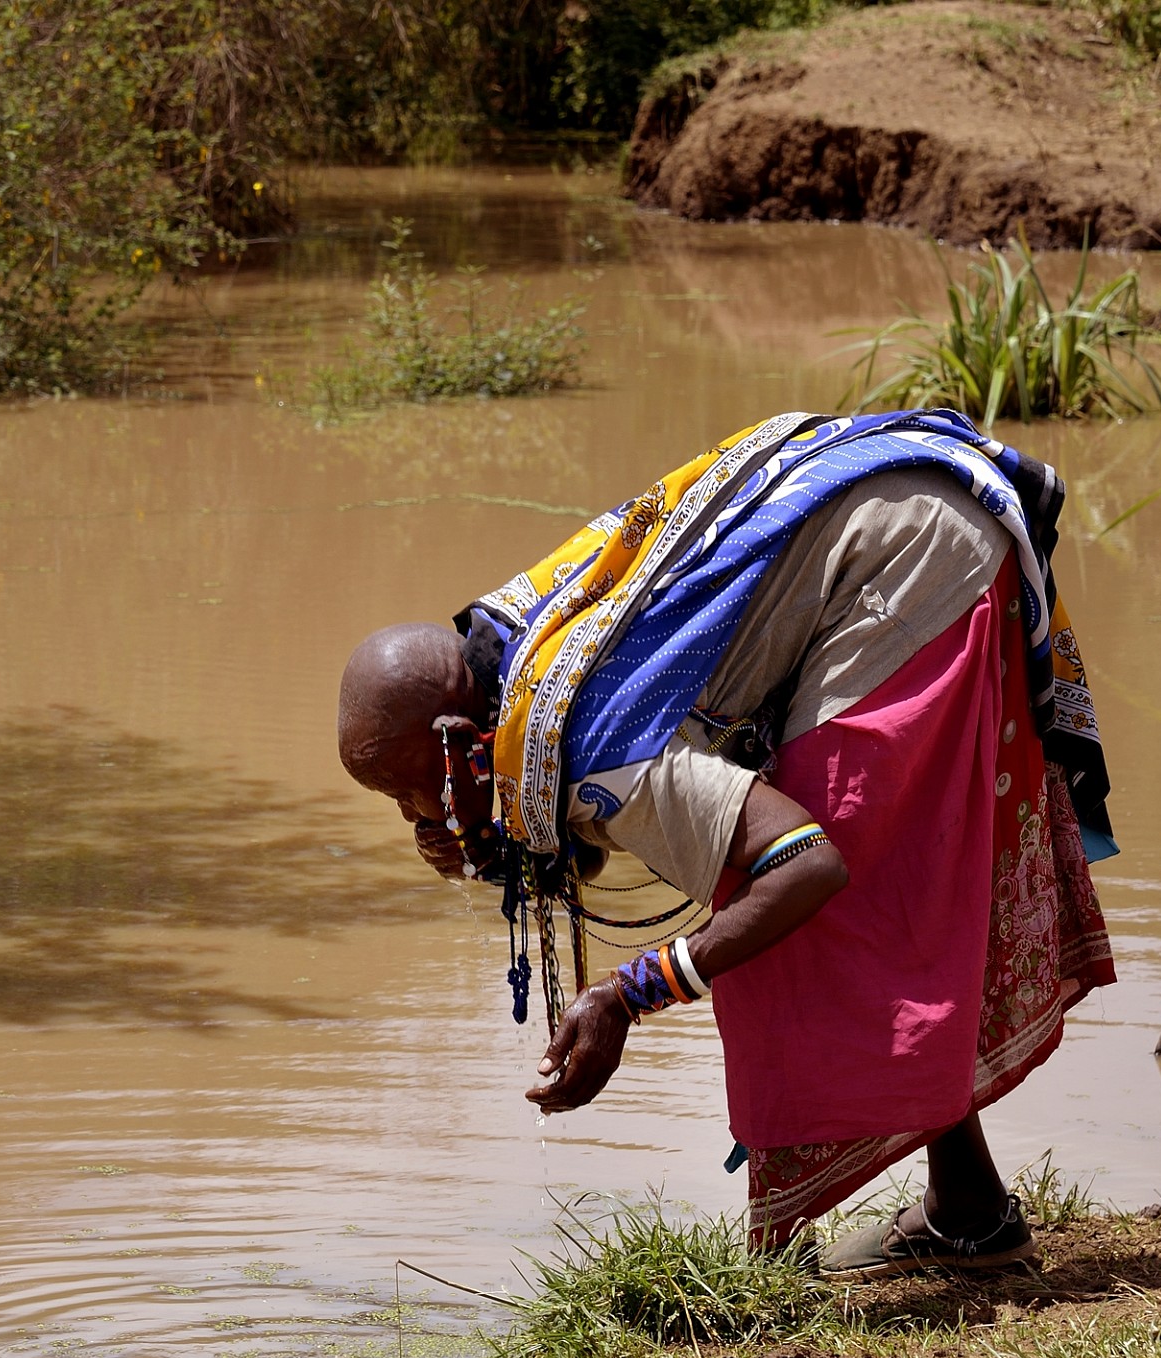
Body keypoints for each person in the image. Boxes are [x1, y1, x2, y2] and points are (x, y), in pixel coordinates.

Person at [337, 410, 1116, 1278]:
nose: (418, 817)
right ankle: (969, 1211)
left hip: (913, 557)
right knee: (798, 887)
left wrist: (632, 993)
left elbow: (805, 864)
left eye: (416, 790)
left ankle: (845, 1247)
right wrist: (482, 835)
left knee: (795, 909)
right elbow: (588, 816)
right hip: (903, 502)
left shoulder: (592, 743)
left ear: (456, 741)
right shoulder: (516, 661)